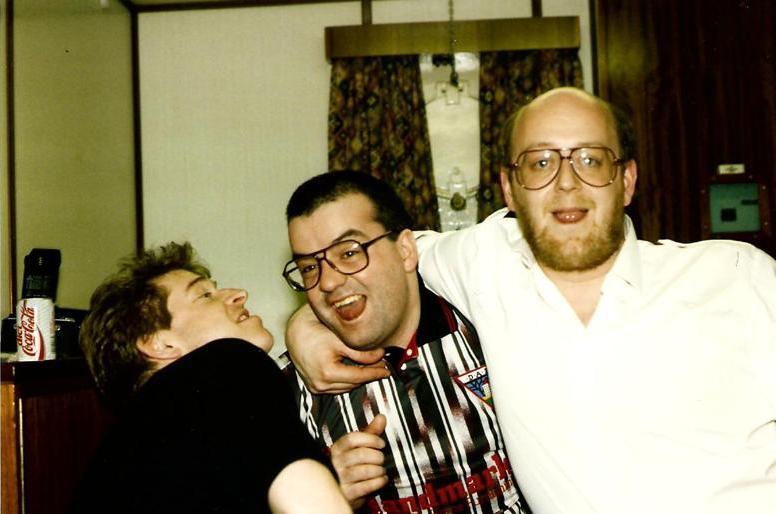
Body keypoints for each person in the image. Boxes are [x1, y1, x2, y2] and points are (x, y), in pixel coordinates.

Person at [286, 88, 776, 514]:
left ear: (626, 181)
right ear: (509, 189)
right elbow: (358, 270)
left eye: (591, 159)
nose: (566, 182)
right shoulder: (485, 265)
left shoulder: (735, 274)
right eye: (540, 162)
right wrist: (307, 326)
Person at [281, 171, 532, 513]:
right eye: (309, 267)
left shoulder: (486, 327)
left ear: (405, 250)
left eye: (349, 253)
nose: (327, 282)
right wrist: (325, 493)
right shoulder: (295, 392)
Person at [69, 242, 351, 514]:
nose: (239, 294)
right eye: (204, 295)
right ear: (159, 344)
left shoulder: (130, 451)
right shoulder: (229, 359)